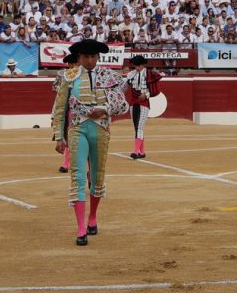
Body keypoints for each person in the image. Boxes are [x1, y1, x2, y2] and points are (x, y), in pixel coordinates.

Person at [51, 39, 129, 246]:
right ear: (78, 58)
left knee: (97, 176)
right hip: (77, 128)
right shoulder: (68, 77)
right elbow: (59, 109)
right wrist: (59, 137)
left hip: (101, 129)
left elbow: (123, 105)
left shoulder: (110, 76)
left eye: (94, 56)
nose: (90, 61)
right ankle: (80, 228)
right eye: (86, 57)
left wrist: (105, 109)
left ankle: (92, 217)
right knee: (77, 176)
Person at [125, 55, 161, 160]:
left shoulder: (150, 74)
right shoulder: (131, 74)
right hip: (133, 102)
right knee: (137, 128)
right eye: (135, 65)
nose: (136, 67)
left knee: (140, 127)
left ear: (142, 65)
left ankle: (136, 152)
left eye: (138, 65)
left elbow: (156, 90)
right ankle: (142, 152)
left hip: (144, 103)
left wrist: (146, 95)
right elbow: (124, 86)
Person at [51, 53, 78, 174]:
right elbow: (56, 89)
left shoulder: (83, 75)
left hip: (79, 109)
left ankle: (71, 163)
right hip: (67, 108)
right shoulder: (62, 75)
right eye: (71, 64)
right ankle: (66, 163)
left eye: (74, 64)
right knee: (67, 135)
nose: (72, 66)